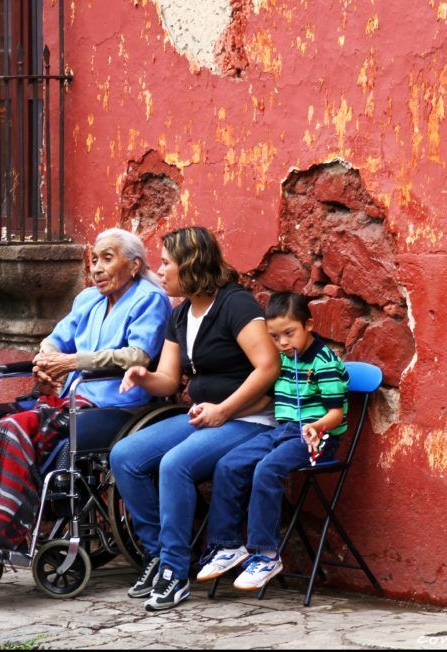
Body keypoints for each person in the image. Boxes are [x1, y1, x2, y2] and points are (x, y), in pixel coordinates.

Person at [0, 228, 171, 565]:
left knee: (13, 429)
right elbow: (55, 340)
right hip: (71, 403)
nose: (97, 268)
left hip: (115, 408)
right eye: (95, 259)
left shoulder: (149, 298)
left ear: (134, 265)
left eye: (107, 259)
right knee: (6, 429)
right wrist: (46, 360)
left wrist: (71, 362)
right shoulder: (88, 299)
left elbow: (137, 356)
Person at [109, 226, 280, 611]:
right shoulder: (181, 313)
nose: (160, 271)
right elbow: (169, 379)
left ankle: (174, 573)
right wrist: (142, 375)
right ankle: (159, 554)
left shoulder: (236, 305)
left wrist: (225, 409)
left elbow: (268, 367)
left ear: (191, 264)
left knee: (175, 465)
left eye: (167, 263)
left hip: (248, 418)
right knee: (125, 456)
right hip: (205, 416)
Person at [196, 292, 349, 591]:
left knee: (266, 469)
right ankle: (228, 545)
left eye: (289, 333)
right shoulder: (284, 359)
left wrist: (315, 427)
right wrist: (222, 412)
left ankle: (265, 554)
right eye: (275, 337)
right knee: (229, 464)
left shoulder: (325, 362)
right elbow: (267, 401)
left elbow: (336, 414)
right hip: (284, 431)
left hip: (319, 437)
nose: (282, 343)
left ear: (308, 325)